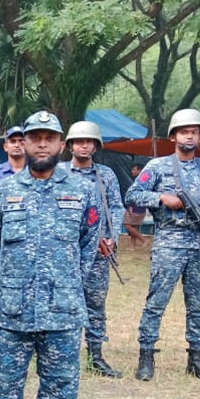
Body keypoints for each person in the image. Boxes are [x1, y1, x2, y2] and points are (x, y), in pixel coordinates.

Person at [0, 111, 100, 399]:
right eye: (35, 138)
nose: (43, 144)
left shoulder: (82, 192)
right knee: (6, 385)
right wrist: (18, 281)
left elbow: (88, 245)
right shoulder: (3, 192)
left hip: (62, 310)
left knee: (61, 387)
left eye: (50, 137)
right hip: (13, 308)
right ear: (25, 144)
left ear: (61, 145)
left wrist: (63, 282)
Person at [124, 108, 200, 381]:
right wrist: (161, 198)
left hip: (199, 246)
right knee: (157, 301)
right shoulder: (158, 167)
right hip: (169, 242)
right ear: (174, 136)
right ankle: (146, 357)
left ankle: (196, 359)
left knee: (198, 305)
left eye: (194, 132)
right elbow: (132, 194)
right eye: (184, 131)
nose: (189, 136)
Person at [66, 121, 125, 378]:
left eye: (89, 141)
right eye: (79, 141)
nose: (84, 145)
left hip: (98, 251)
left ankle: (95, 355)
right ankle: (62, 354)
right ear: (70, 145)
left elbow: (116, 208)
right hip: (65, 251)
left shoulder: (106, 175)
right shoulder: (59, 174)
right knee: (63, 302)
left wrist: (112, 238)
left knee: (96, 303)